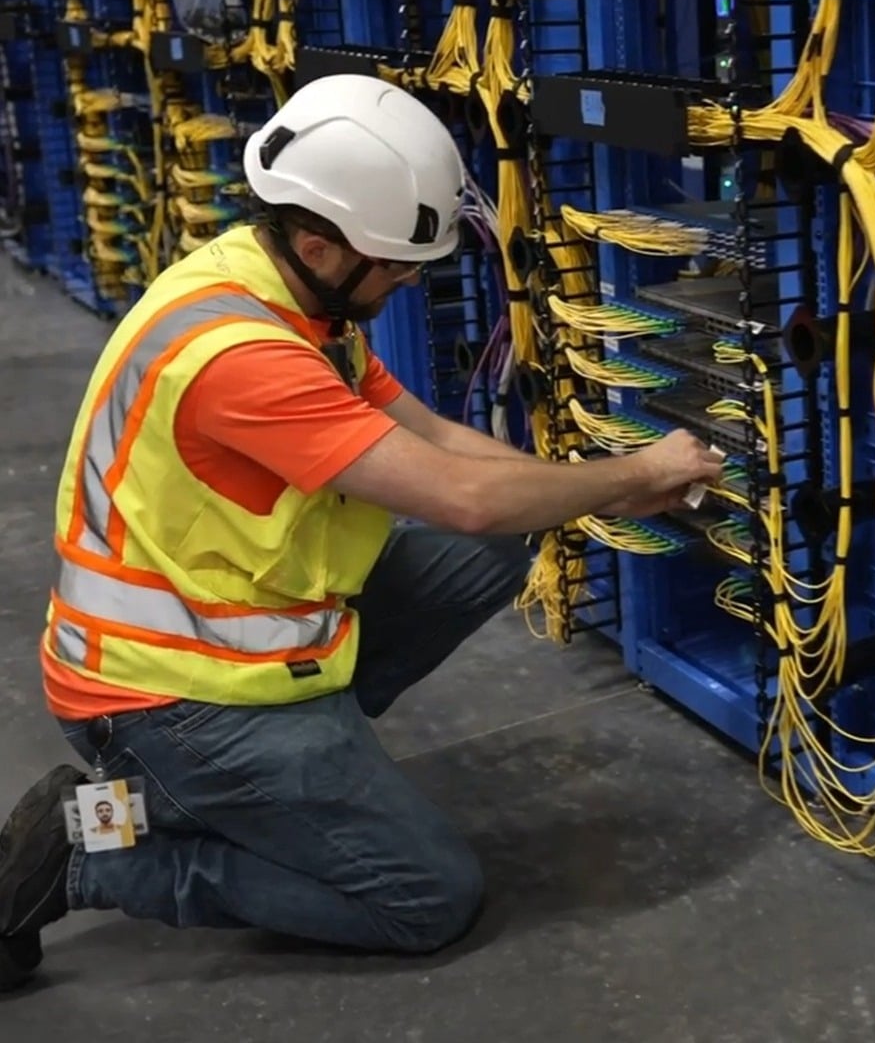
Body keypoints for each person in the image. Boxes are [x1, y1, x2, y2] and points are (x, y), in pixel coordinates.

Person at [0, 74, 724, 991]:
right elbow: (458, 495)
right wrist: (641, 473)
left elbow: (440, 445)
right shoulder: (243, 360)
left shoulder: (278, 291)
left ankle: (283, 783)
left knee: (500, 535)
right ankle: (86, 852)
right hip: (165, 694)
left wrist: (601, 490)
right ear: (318, 243)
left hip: (243, 640)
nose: (410, 278)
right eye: (396, 262)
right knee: (423, 898)